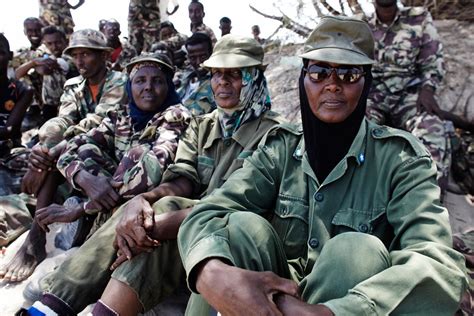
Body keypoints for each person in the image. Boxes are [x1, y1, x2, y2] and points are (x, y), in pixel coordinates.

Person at [177, 16, 468, 315]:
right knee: (239, 228)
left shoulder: (401, 159)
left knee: (355, 250)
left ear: (366, 83)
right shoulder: (281, 148)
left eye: (349, 74)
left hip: (353, 301)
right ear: (303, 80)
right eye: (318, 72)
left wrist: (334, 312)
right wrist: (209, 272)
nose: (332, 85)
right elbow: (209, 211)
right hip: (274, 291)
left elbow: (437, 264)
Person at [25, 35, 285, 316]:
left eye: (234, 75)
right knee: (143, 209)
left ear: (254, 77)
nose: (222, 82)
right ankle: (53, 306)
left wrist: (150, 217)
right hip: (192, 225)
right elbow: (183, 178)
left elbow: (240, 201)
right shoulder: (204, 125)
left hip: (235, 229)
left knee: (158, 214)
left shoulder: (275, 134)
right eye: (216, 74)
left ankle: (62, 299)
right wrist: (141, 202)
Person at [0, 29, 128, 283]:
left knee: (61, 152)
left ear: (103, 56)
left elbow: (97, 122)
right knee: (48, 149)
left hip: (111, 152)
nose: (79, 61)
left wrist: (51, 151)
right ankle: (38, 230)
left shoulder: (119, 82)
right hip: (77, 152)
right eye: (76, 55)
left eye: (86, 54)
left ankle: (35, 237)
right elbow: (64, 119)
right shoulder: (74, 85)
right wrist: (44, 144)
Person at [366, 0, 452, 193]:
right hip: (372, 96)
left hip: (408, 94)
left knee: (431, 125)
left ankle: (427, 198)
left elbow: (432, 59)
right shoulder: (361, 25)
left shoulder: (418, 17)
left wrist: (428, 89)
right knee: (355, 132)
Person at [15, 26, 76, 123]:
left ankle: (48, 116)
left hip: (73, 99)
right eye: (49, 44)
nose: (54, 47)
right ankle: (36, 110)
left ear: (65, 41)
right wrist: (33, 63)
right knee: (28, 75)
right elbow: (17, 74)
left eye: (58, 42)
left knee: (51, 73)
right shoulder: (45, 55)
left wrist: (38, 63)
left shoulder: (71, 56)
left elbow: (45, 70)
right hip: (53, 102)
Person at [0, 33, 34, 195]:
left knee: (42, 165)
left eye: (0, 53)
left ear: (10, 56)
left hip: (8, 152)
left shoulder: (22, 90)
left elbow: (10, 130)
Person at [177, 32, 216, 116]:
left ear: (211, 54)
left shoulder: (218, 81)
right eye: (193, 57)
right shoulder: (184, 78)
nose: (198, 62)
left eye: (202, 57)